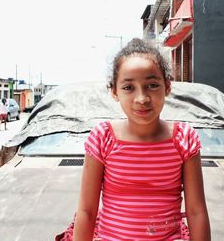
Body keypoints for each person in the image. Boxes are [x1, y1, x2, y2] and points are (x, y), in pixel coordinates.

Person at [60, 38, 211, 240]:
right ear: (114, 91)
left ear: (167, 86)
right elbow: (87, 211)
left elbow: (196, 211)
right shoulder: (103, 138)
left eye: (152, 85)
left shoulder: (184, 139)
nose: (142, 98)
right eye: (128, 88)